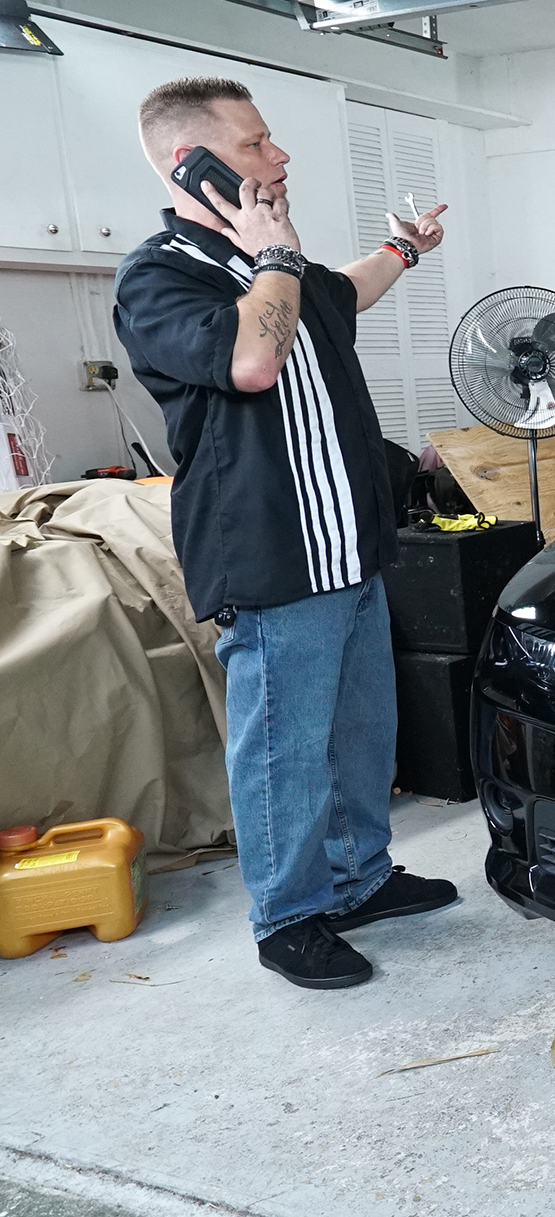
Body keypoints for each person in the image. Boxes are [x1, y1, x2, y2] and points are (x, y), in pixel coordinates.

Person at [113, 76, 455, 990]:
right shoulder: (160, 276)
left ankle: (359, 877)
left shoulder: (288, 273)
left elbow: (349, 291)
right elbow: (252, 360)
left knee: (361, 734)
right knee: (285, 749)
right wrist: (273, 253)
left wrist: (404, 249)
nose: (280, 156)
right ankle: (289, 915)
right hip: (273, 556)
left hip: (350, 547)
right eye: (256, 143)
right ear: (193, 162)